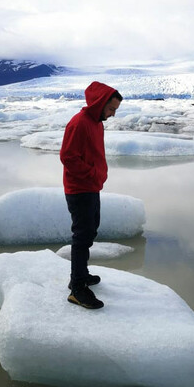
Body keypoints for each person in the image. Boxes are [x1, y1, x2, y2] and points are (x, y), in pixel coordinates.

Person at [60, 81, 123, 309]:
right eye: (111, 109)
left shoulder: (97, 123)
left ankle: (81, 274)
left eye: (115, 110)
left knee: (90, 231)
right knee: (82, 235)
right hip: (79, 189)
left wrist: (97, 176)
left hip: (91, 186)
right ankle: (77, 288)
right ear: (100, 104)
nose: (112, 114)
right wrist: (92, 174)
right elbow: (68, 157)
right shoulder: (79, 123)